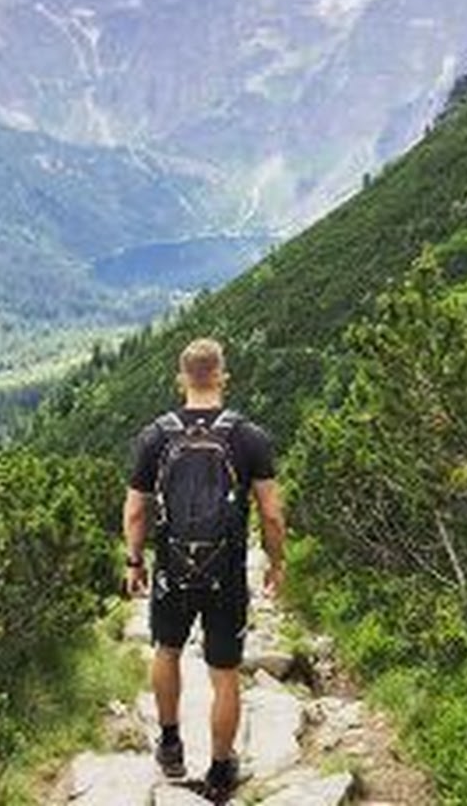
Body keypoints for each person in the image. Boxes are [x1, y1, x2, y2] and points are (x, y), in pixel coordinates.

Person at [122, 337, 286, 802]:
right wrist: (276, 563)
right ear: (222, 376)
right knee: (225, 673)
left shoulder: (156, 435)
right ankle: (219, 769)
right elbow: (271, 513)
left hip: (172, 568)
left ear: (181, 379)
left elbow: (136, 511)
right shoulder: (249, 437)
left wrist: (135, 562)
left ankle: (170, 745)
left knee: (167, 651)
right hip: (226, 573)